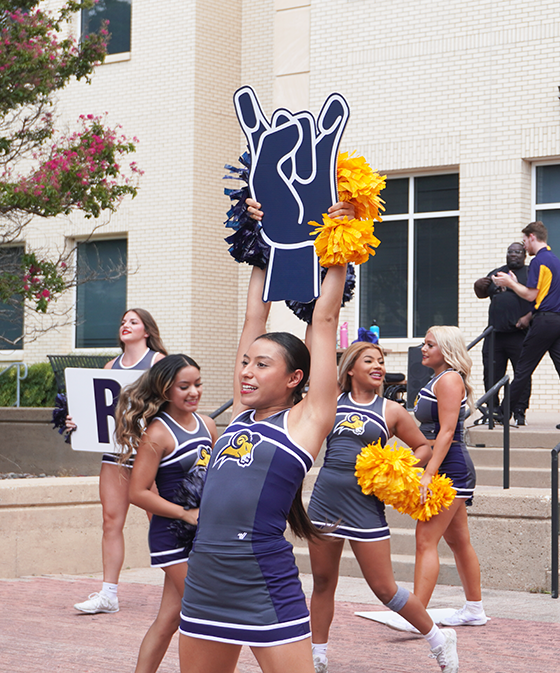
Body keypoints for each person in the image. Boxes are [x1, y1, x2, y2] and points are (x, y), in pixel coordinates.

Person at [176, 199, 459, 673]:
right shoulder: (242, 416)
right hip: (205, 575)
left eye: (261, 365)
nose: (246, 371)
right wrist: (262, 243)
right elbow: (254, 318)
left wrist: (339, 244)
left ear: (294, 380)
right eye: (246, 362)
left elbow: (323, 322)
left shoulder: (306, 420)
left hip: (261, 577)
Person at [307, 342, 450, 672]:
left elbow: (422, 447)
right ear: (351, 369)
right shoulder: (331, 401)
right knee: (323, 582)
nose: (378, 366)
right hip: (325, 500)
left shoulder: (391, 410)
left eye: (381, 361)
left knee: (385, 588)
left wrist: (396, 468)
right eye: (369, 360)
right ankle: (318, 655)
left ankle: (439, 640)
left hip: (364, 505)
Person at [120, 354, 218, 673]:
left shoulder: (208, 425)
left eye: (198, 384)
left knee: (169, 619)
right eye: (184, 386)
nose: (193, 392)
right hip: (172, 537)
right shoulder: (158, 433)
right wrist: (184, 514)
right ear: (165, 391)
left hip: (202, 534)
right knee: (206, 610)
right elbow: (137, 492)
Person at [74, 308, 167, 614]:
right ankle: (108, 594)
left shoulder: (157, 362)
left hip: (149, 454)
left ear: (147, 331)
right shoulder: (110, 365)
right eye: (123, 321)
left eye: (133, 322)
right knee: (111, 521)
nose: (125, 325)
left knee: (162, 522)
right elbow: (103, 413)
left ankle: (189, 589)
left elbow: (170, 406)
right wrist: (79, 420)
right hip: (115, 452)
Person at [412, 326, 486, 629]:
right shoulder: (439, 379)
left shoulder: (450, 379)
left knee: (425, 539)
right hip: (445, 465)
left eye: (430, 344)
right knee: (458, 541)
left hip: (450, 468)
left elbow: (446, 431)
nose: (423, 348)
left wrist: (429, 473)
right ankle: (474, 609)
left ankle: (416, 615)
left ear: (446, 349)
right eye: (424, 343)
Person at [492, 221, 560, 430]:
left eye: (525, 240)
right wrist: (517, 283)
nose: (524, 245)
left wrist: (509, 284)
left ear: (532, 237)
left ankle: (503, 413)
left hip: (546, 321)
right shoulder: (554, 259)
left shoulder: (539, 261)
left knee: (524, 368)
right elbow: (543, 291)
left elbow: (531, 295)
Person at [473, 243, 531, 425]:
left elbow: (538, 298)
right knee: (491, 373)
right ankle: (492, 410)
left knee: (522, 374)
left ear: (524, 255)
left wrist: (528, 317)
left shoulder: (530, 273)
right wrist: (478, 286)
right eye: (510, 252)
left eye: (518, 252)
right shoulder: (498, 272)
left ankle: (519, 411)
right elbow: (482, 294)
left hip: (519, 333)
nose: (513, 255)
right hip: (494, 333)